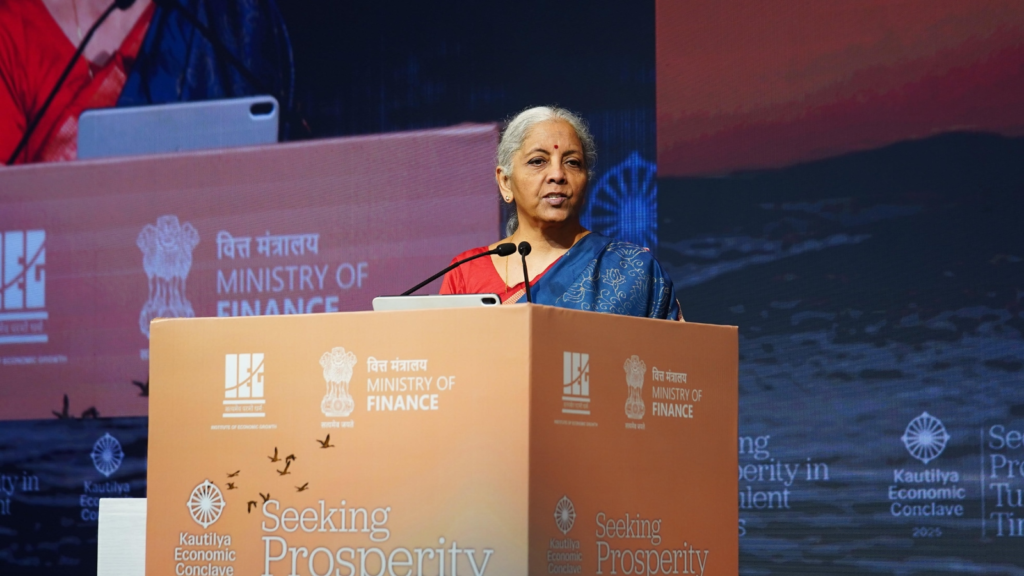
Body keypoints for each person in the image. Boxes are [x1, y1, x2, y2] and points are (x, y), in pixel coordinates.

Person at [440, 106, 683, 320]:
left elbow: (670, 364)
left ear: (586, 180)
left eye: (572, 162)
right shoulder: (466, 273)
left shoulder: (634, 270)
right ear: (505, 182)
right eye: (538, 161)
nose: (557, 174)